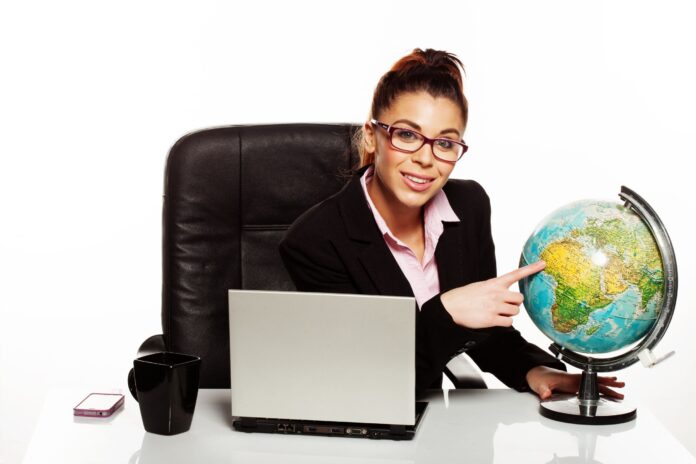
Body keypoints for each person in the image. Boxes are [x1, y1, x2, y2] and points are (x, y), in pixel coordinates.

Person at [279, 48, 625, 399]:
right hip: (365, 420)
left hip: (433, 421)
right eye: (407, 135)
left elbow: (484, 333)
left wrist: (533, 369)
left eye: (445, 143)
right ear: (371, 135)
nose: (425, 159)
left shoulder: (468, 206)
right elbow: (364, 381)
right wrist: (445, 312)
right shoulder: (315, 240)